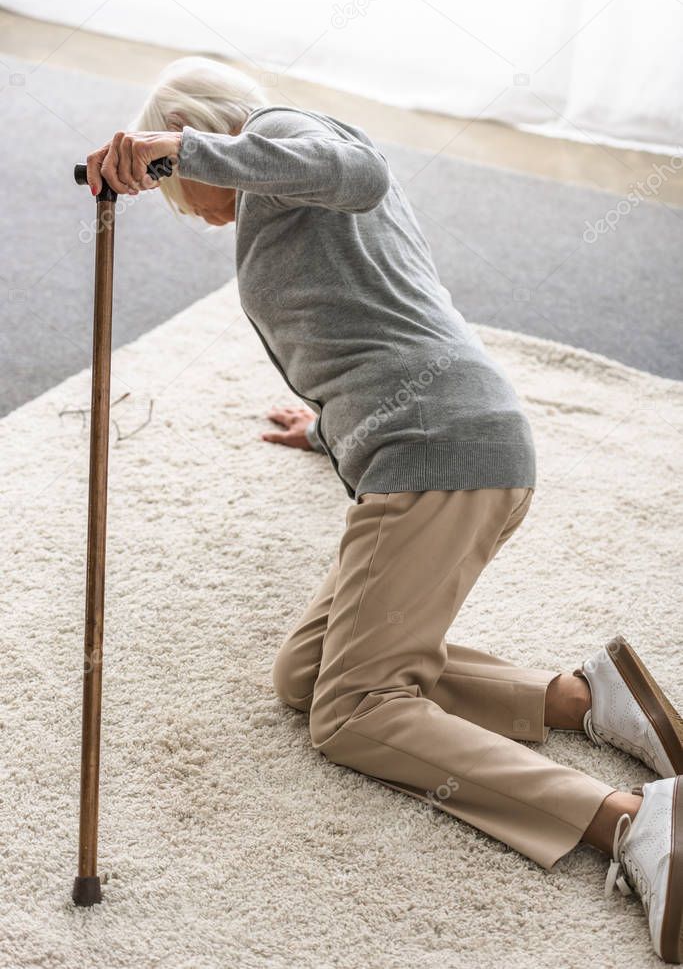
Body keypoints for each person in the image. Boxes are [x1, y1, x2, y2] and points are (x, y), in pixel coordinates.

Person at [86, 56, 683, 963]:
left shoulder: (288, 140)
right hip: (425, 446)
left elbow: (353, 168)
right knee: (305, 677)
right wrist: (327, 426)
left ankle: (627, 821)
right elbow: (365, 325)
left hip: (441, 462)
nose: (187, 201)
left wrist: (180, 147)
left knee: (352, 712)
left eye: (178, 180)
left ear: (205, 135)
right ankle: (585, 699)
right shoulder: (280, 192)